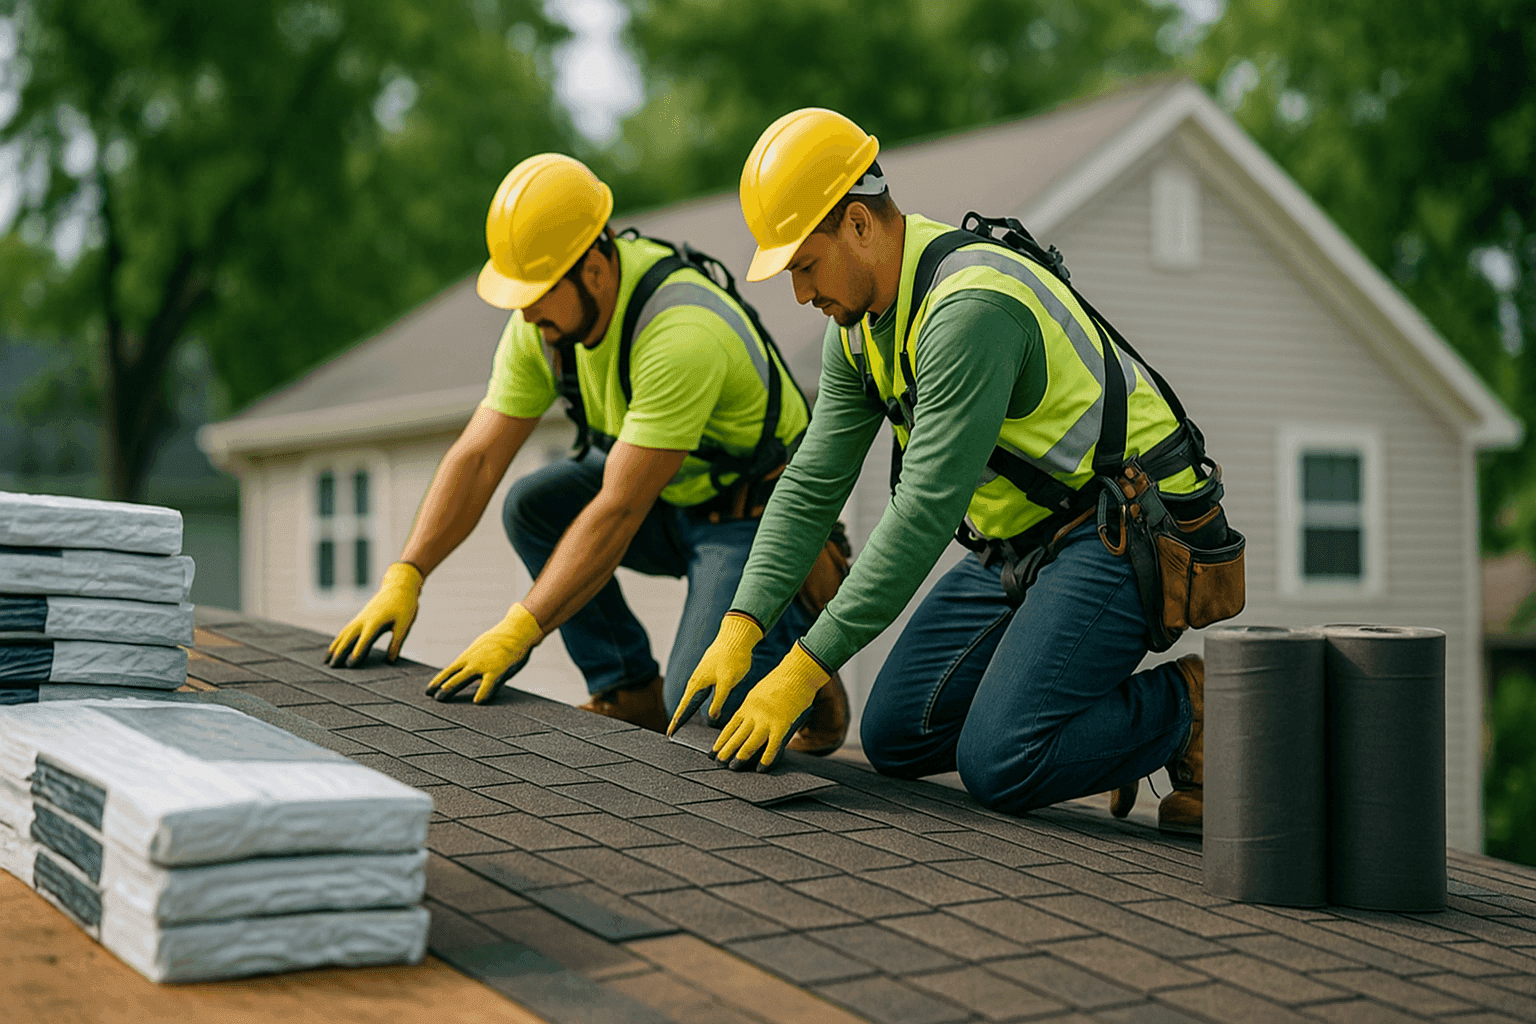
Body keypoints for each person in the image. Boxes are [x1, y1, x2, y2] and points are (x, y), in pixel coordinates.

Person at [671, 109, 1236, 834]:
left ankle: (1193, 709)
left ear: (859, 224)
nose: (800, 295)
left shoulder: (970, 309)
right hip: (1020, 545)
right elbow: (812, 481)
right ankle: (1088, 720)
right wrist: (741, 628)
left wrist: (803, 668)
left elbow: (924, 513)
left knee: (1002, 761)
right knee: (897, 736)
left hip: (1124, 528)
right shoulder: (859, 332)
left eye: (805, 266)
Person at [327, 152, 849, 751]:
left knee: (699, 708)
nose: (525, 312)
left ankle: (796, 654)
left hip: (752, 517)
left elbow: (618, 511)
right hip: (672, 497)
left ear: (595, 270)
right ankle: (628, 687)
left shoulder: (680, 332)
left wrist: (519, 629)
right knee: (533, 503)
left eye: (538, 293)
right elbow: (477, 459)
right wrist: (406, 574)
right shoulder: (546, 324)